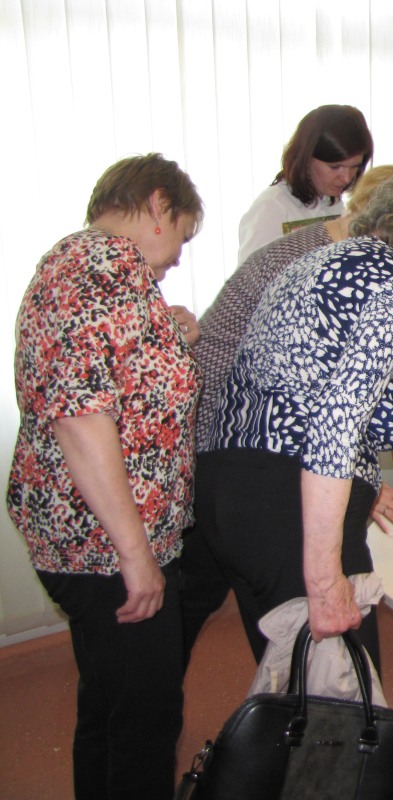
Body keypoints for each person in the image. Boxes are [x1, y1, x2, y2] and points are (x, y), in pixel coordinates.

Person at [195, 166, 393, 669]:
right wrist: (325, 580)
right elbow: (336, 426)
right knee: (339, 693)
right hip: (289, 500)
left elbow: (376, 413)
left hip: (225, 488)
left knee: (288, 683)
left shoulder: (314, 260)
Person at [6, 153, 204, 799]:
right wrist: (136, 556)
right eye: (183, 235)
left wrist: (171, 336)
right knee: (146, 720)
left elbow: (112, 374)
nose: (178, 256)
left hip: (87, 539)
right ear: (158, 206)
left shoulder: (84, 268)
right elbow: (81, 421)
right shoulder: (102, 273)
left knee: (110, 702)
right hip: (106, 549)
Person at [181, 165, 393, 664]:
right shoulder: (324, 264)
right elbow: (323, 409)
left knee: (278, 647)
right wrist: (358, 484)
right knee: (316, 659)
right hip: (237, 454)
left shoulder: (330, 256)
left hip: (231, 459)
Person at [237, 104, 373, 263]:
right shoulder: (271, 208)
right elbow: (250, 276)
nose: (347, 178)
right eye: (335, 167)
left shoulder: (333, 202)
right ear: (306, 158)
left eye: (354, 167)